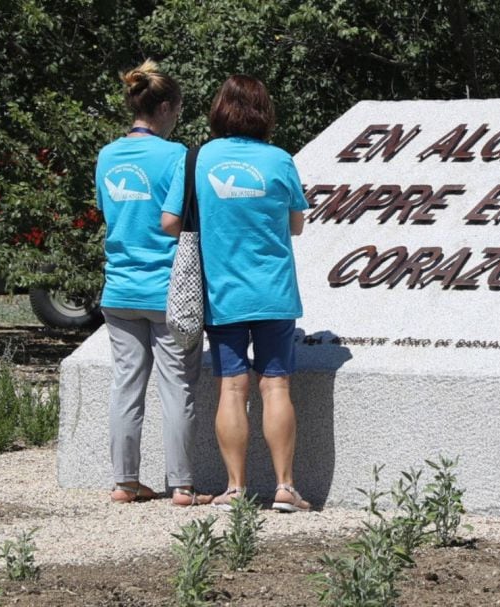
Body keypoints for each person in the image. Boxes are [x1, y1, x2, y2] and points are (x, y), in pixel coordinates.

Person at [161, 75, 310, 512]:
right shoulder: (280, 160)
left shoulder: (199, 159)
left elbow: (170, 222)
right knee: (276, 385)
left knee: (232, 388)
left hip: (223, 291)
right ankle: (285, 488)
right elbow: (296, 223)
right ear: (264, 112)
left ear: (220, 109)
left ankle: (235, 488)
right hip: (275, 291)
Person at [96, 60, 210, 506]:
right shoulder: (178, 156)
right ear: (165, 107)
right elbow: (174, 222)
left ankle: (125, 482)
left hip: (119, 287)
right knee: (177, 387)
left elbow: (111, 213)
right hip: (166, 289)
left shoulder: (107, 155)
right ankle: (182, 485)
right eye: (178, 109)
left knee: (126, 386)